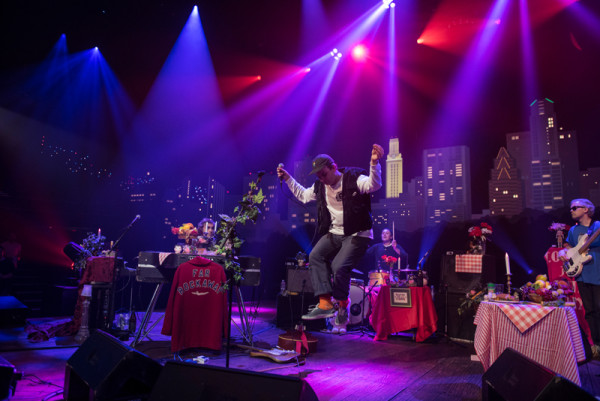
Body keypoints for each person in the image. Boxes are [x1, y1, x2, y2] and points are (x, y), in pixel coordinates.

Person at [277, 144, 384, 333]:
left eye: (324, 174)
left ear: (334, 167)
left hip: (357, 234)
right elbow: (302, 195)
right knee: (315, 256)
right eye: (318, 176)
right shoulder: (320, 186)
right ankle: (325, 303)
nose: (322, 179)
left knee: (338, 267)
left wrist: (374, 163)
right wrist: (287, 178)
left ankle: (343, 306)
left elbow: (373, 185)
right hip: (335, 233)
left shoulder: (353, 178)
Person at [558, 198, 600, 358]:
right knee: (589, 311)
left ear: (586, 210)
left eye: (575, 207)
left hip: (597, 271)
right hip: (582, 274)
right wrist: (563, 252)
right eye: (571, 208)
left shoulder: (597, 226)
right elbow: (569, 247)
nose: (572, 210)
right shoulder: (573, 231)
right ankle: (596, 346)